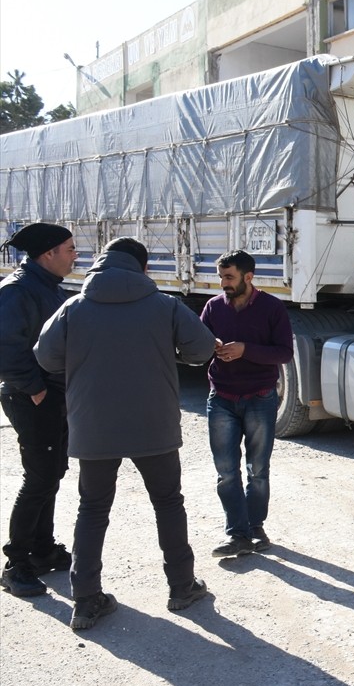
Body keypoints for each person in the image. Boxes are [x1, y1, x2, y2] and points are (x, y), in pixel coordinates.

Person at [35, 237, 215, 630]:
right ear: (142, 268)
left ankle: (85, 600)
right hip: (154, 424)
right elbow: (202, 349)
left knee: (92, 508)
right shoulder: (165, 306)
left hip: (94, 426)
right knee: (168, 502)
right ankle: (182, 587)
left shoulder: (73, 308)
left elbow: (45, 356)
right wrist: (174, 353)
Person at [0, 223, 77, 597]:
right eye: (70, 248)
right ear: (49, 254)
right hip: (32, 397)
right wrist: (35, 391)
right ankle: (17, 564)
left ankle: (42, 549)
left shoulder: (45, 286)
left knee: (51, 472)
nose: (75, 255)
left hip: (52, 395)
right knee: (39, 476)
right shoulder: (17, 291)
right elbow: (6, 348)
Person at [200, 250, 293, 558]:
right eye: (221, 277)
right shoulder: (213, 307)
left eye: (229, 277)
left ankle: (255, 529)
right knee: (226, 472)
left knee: (257, 470)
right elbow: (198, 345)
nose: (223, 283)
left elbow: (283, 353)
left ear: (248, 277)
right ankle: (237, 534)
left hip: (259, 398)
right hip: (221, 399)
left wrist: (244, 350)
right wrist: (210, 347)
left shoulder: (272, 308)